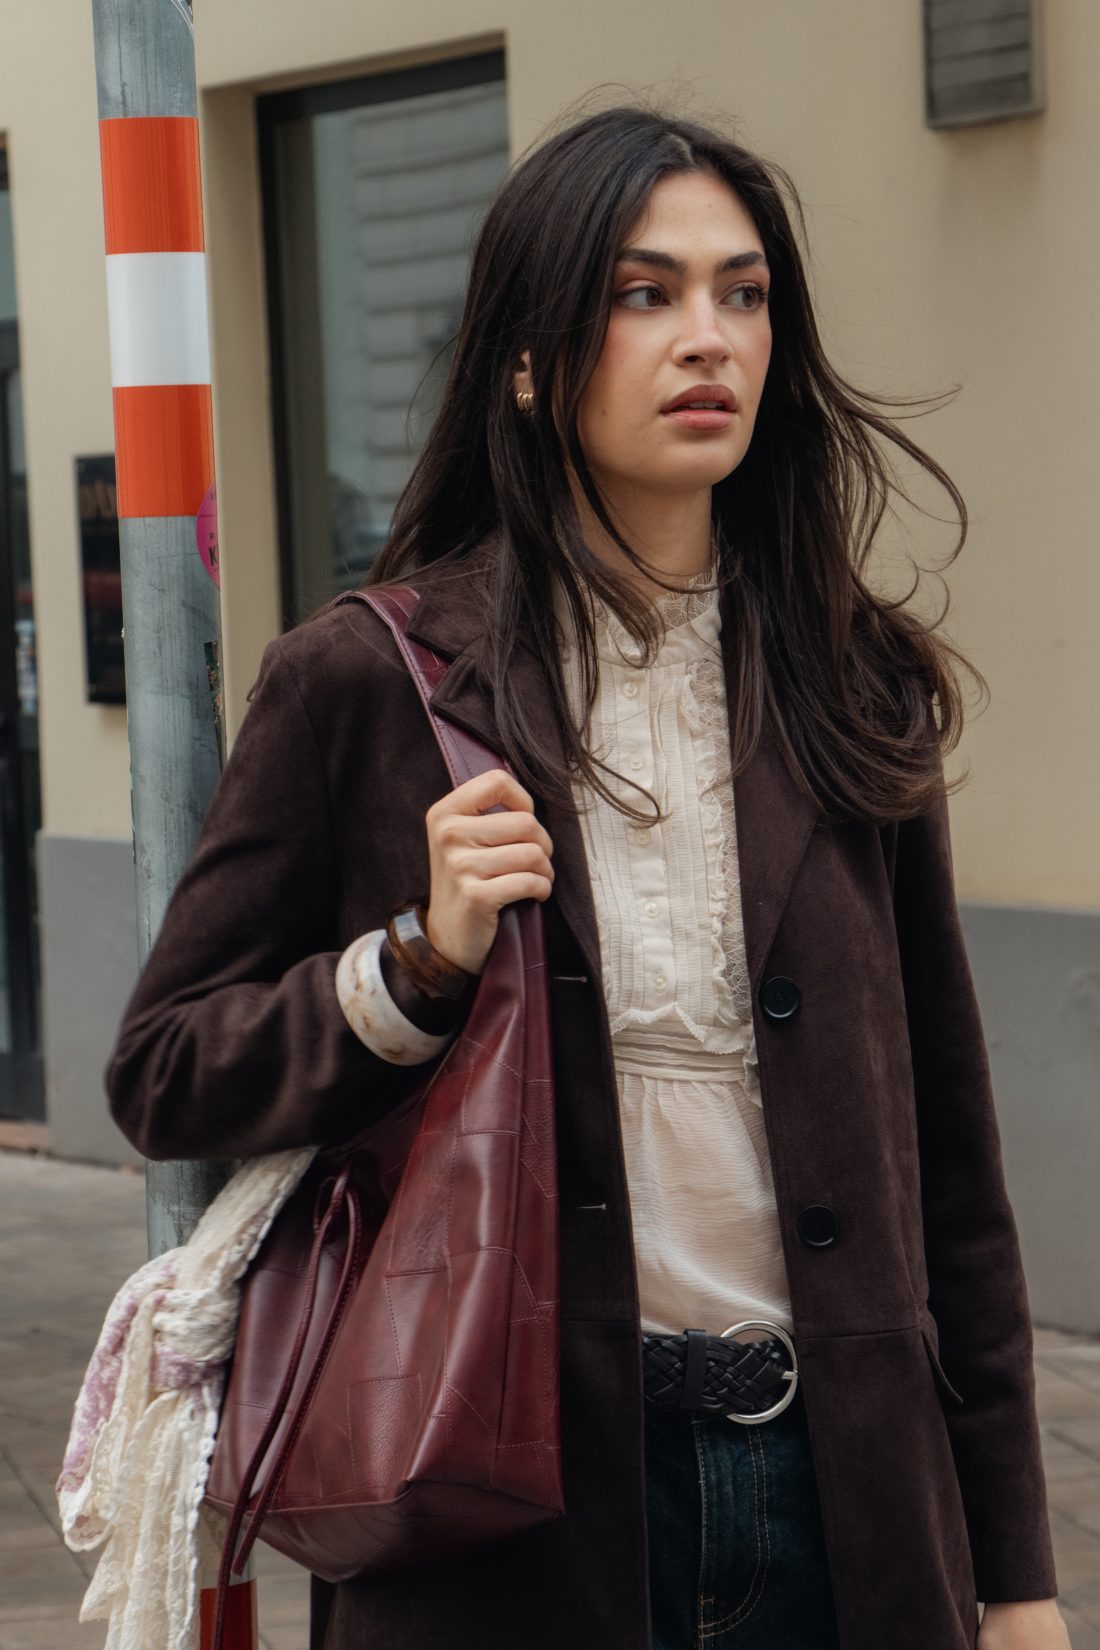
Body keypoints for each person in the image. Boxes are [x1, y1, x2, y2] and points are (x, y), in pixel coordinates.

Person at [105, 102, 1071, 1650]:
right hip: (507, 1517)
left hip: (846, 1512)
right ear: (534, 357)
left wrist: (1015, 1576)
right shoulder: (372, 679)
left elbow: (950, 1159)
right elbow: (164, 1073)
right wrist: (412, 965)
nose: (710, 338)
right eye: (648, 292)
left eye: (742, 293)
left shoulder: (848, 681)